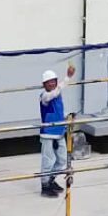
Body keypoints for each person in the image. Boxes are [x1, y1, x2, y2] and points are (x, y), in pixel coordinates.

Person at [38, 69, 66, 197]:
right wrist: (68, 78)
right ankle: (45, 186)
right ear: (44, 84)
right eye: (48, 82)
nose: (52, 84)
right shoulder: (44, 96)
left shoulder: (58, 95)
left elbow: (58, 111)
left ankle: (51, 179)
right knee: (48, 161)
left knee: (62, 159)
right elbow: (53, 94)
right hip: (48, 134)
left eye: (54, 81)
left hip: (59, 131)